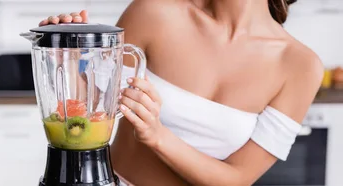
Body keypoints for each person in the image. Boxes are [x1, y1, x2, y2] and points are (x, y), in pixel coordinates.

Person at [37, 0, 323, 185]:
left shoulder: (300, 65)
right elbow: (91, 110)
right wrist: (65, 54)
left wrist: (157, 136)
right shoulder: (154, 11)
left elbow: (238, 178)